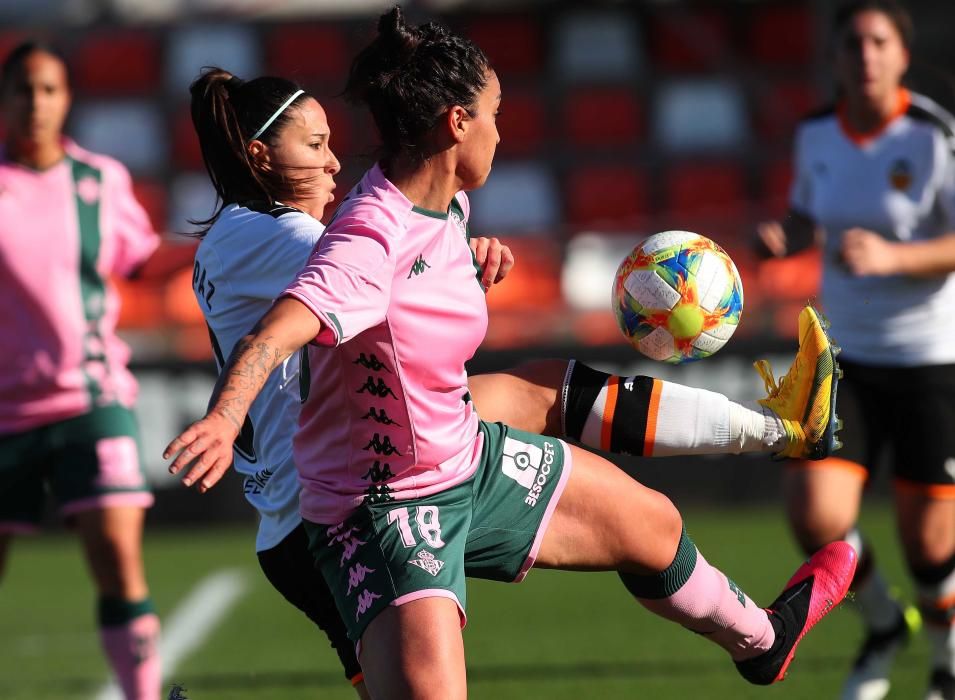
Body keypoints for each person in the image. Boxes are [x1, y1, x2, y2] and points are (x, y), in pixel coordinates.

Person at [168, 9, 857, 699]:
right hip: (386, 506)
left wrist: (457, 262)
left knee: (646, 520)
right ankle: (774, 430)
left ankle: (762, 627)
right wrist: (225, 419)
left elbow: (397, 273)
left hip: (461, 458)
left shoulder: (446, 207)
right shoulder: (353, 237)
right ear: (456, 123)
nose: (504, 129)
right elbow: (283, 325)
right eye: (494, 112)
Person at [755, 2, 955, 699]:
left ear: (900, 55)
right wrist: (784, 236)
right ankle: (880, 626)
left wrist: (894, 259)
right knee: (815, 516)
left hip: (930, 359)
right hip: (842, 356)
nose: (864, 55)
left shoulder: (933, 135)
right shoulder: (815, 133)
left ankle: (944, 660)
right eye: (851, 43)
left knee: (930, 545)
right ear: (836, 58)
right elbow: (809, 217)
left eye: (878, 41)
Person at [0, 41, 161, 699]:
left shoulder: (101, 181)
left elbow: (145, 263)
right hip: (3, 412)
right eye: (23, 90)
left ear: (66, 99)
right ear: (5, 99)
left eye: (48, 90)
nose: (35, 103)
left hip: (91, 396)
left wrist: (232, 249)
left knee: (119, 562)